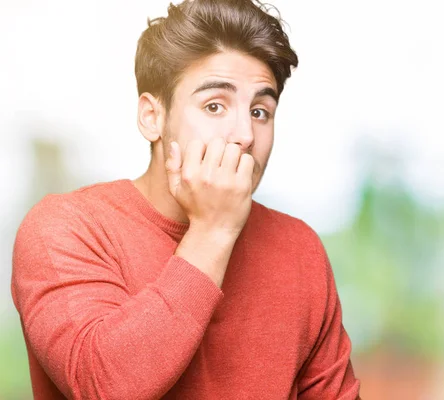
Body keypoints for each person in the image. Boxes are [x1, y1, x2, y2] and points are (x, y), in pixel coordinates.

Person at [11, 0, 361, 399]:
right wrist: (213, 230)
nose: (245, 134)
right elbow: (104, 386)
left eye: (261, 111)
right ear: (151, 117)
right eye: (215, 105)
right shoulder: (65, 227)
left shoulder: (299, 250)